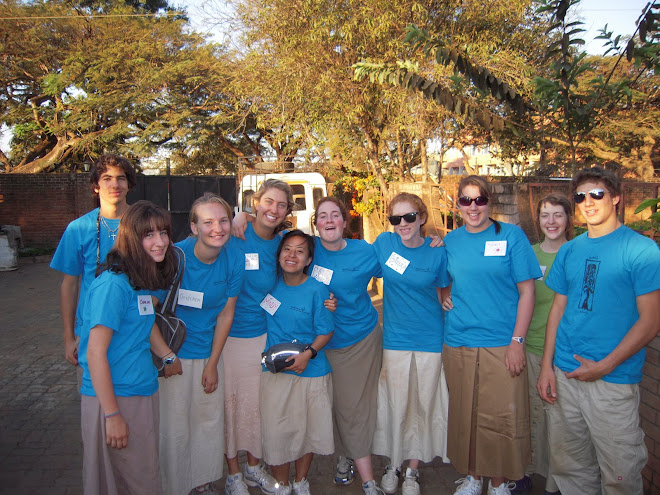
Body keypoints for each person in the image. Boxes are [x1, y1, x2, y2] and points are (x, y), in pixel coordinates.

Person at [537, 167, 660, 495]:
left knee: (620, 475)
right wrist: (547, 367)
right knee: (571, 469)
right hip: (565, 375)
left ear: (616, 198)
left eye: (597, 194)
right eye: (580, 196)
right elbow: (558, 309)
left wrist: (605, 365)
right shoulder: (570, 250)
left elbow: (651, 321)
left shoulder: (641, 250)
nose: (588, 202)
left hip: (613, 383)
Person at [443, 175, 541, 495]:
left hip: (501, 342)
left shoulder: (511, 236)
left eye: (480, 200)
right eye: (466, 200)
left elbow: (528, 292)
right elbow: (440, 276)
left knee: (499, 418)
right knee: (465, 414)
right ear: (457, 204)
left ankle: (498, 481)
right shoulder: (450, 241)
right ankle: (473, 477)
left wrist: (517, 342)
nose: (473, 207)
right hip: (458, 340)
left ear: (489, 203)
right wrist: (442, 292)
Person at [79, 200, 181, 495]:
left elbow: (145, 321)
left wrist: (167, 355)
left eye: (163, 233)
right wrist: (112, 416)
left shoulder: (138, 279)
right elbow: (95, 353)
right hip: (116, 397)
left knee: (143, 474)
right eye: (149, 235)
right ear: (131, 238)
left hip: (140, 389)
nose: (160, 242)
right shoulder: (112, 285)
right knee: (133, 481)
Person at [158, 193, 244, 495]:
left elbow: (226, 313)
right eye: (207, 222)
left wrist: (212, 363)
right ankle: (175, 485)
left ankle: (202, 482)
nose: (217, 228)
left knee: (208, 422)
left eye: (223, 220)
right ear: (194, 228)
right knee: (175, 426)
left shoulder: (233, 259)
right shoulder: (173, 257)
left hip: (208, 354)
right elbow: (148, 314)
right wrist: (167, 357)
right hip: (174, 356)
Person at [372, 192, 451, 495]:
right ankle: (393, 462)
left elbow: (445, 291)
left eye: (409, 217)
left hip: (430, 340)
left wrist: (442, 239)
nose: (402, 224)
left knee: (422, 404)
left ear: (421, 218)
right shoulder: (384, 244)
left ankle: (412, 470)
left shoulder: (437, 251)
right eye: (396, 218)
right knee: (396, 404)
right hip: (395, 340)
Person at [308, 197, 383, 495]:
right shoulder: (306, 250)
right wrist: (242, 219)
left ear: (344, 221)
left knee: (354, 407)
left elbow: (399, 264)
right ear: (315, 223)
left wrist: (432, 244)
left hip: (359, 340)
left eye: (335, 215)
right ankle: (343, 455)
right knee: (331, 404)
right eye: (322, 216)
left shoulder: (364, 251)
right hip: (320, 343)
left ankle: (368, 481)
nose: (329, 221)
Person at [224, 179, 294, 495]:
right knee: (231, 404)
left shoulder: (283, 242)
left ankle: (254, 468)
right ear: (256, 203)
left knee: (257, 407)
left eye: (281, 204)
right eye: (268, 201)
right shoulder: (235, 233)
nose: (273, 209)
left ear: (287, 211)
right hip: (228, 336)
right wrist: (237, 215)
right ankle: (233, 474)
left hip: (265, 335)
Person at [260, 230, 335, 495]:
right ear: (278, 254)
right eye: (287, 249)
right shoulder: (267, 285)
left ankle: (301, 480)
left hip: (312, 370)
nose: (292, 255)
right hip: (276, 373)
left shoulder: (317, 290)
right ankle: (281, 483)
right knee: (277, 430)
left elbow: (326, 331)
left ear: (309, 259)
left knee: (308, 430)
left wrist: (308, 354)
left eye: (300, 251)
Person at [51, 154, 137, 366]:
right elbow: (69, 285)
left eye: (121, 178)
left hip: (137, 329)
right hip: (91, 328)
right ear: (96, 186)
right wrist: (69, 337)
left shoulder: (145, 224)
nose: (115, 184)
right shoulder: (78, 228)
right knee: (93, 393)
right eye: (107, 178)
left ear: (129, 185)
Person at [512, 194, 572, 495]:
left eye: (558, 215)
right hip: (530, 346)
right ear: (537, 219)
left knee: (558, 421)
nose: (551, 221)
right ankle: (524, 473)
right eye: (545, 215)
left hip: (564, 352)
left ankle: (554, 482)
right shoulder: (528, 253)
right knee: (529, 415)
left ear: (568, 219)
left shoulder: (575, 253)